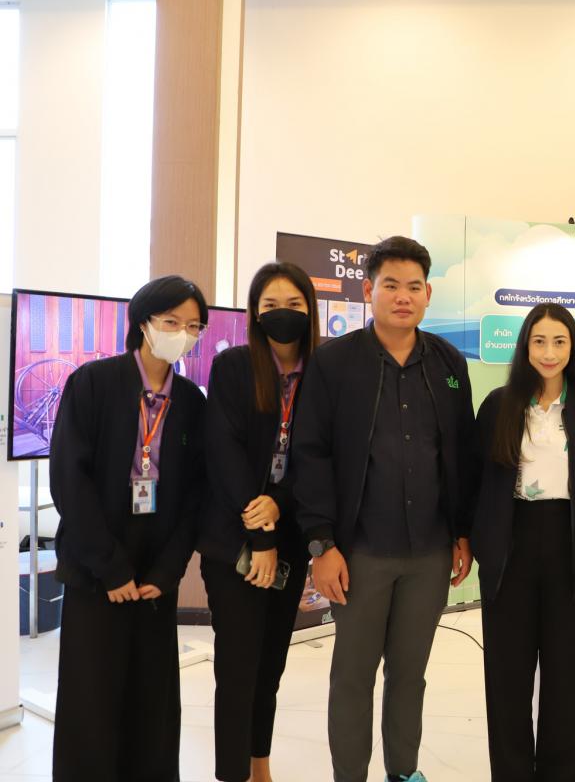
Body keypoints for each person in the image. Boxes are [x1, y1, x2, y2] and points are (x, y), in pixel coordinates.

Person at [291, 236, 478, 782]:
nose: (403, 296)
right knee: (353, 675)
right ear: (368, 290)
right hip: (359, 553)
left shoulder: (447, 362)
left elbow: (460, 453)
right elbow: (311, 455)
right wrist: (322, 544)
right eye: (390, 285)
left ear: (428, 294)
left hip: (429, 552)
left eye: (414, 287)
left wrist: (462, 532)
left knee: (410, 675)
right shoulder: (334, 362)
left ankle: (405, 772)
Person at [48, 275, 209, 782]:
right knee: (91, 698)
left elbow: (196, 494)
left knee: (152, 700)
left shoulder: (192, 400)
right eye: (171, 322)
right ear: (143, 322)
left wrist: (168, 569)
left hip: (156, 568)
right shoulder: (93, 383)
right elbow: (69, 479)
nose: (182, 334)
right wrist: (111, 567)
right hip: (97, 565)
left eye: (193, 327)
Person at [473, 303, 575, 782]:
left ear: (572, 347)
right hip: (509, 546)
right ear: (525, 346)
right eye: (539, 341)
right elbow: (478, 481)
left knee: (567, 678)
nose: (549, 352)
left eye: (559, 341)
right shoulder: (499, 404)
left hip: (570, 547)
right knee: (508, 678)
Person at [197, 262, 320, 782]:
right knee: (237, 668)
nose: (282, 314)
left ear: (310, 310)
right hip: (235, 541)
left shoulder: (323, 372)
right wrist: (260, 527)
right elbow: (223, 454)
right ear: (254, 312)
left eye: (293, 304)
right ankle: (232, 774)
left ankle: (259, 766)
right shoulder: (233, 366)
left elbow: (320, 455)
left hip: (288, 539)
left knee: (270, 664)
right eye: (270, 305)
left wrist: (280, 504)